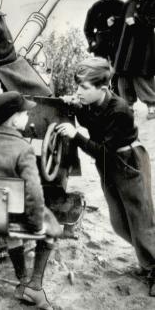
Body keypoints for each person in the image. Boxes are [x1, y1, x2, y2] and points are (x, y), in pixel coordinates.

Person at [57, 57, 155, 297]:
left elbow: (104, 151)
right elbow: (90, 119)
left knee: (142, 222)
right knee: (120, 223)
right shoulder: (93, 104)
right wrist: (75, 106)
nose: (79, 91)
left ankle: (153, 267)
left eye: (84, 87)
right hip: (109, 166)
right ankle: (148, 261)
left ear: (102, 88)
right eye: (78, 86)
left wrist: (76, 136)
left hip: (127, 163)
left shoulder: (119, 110)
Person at [0, 91, 62, 310]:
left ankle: (22, 277)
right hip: (13, 218)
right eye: (25, 113)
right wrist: (37, 224)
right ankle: (34, 284)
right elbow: (34, 194)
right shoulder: (24, 149)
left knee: (9, 223)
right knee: (53, 228)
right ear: (14, 119)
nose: (28, 117)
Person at [114, 0, 155, 119]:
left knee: (142, 76)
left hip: (143, 47)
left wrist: (138, 21)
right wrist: (114, 21)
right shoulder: (129, 2)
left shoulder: (153, 1)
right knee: (124, 76)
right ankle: (127, 107)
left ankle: (152, 107)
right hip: (126, 47)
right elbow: (121, 23)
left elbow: (152, 20)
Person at [84, 0, 124, 65]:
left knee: (117, 74)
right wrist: (93, 42)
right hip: (100, 45)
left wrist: (115, 22)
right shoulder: (95, 7)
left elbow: (126, 26)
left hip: (117, 44)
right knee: (101, 72)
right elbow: (87, 29)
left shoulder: (122, 6)